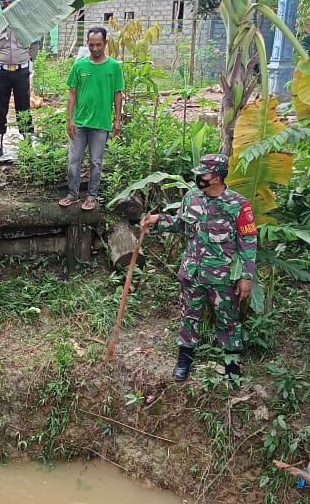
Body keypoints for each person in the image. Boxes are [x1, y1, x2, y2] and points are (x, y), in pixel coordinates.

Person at [139, 153, 258, 383]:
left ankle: (232, 365)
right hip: (193, 272)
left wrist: (246, 276)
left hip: (222, 276)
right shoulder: (192, 197)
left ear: (216, 177)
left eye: (203, 173)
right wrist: (157, 221)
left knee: (228, 319)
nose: (198, 177)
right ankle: (184, 360)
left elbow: (248, 242)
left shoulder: (239, 205)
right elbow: (182, 224)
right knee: (189, 315)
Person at [59, 26, 124, 211]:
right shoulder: (79, 66)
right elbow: (72, 93)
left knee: (96, 162)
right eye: (91, 45)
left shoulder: (114, 66)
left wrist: (117, 119)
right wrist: (69, 119)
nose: (94, 48)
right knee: (74, 161)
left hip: (101, 123)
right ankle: (72, 194)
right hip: (80, 122)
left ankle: (91, 196)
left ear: (105, 43)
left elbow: (118, 93)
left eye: (98, 45)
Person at [0, 0, 40, 157]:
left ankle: (27, 144)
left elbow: (34, 45)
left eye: (10, 3)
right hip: (2, 72)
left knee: (23, 108)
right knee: (0, 109)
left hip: (21, 72)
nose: (6, 6)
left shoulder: (27, 23)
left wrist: (28, 61)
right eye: (3, 4)